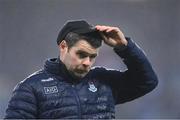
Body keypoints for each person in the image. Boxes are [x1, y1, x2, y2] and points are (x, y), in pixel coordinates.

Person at [4, 20, 158, 119]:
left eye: (92, 56)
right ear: (63, 47)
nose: (87, 62)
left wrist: (124, 47)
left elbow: (147, 82)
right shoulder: (30, 89)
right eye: (81, 54)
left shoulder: (104, 81)